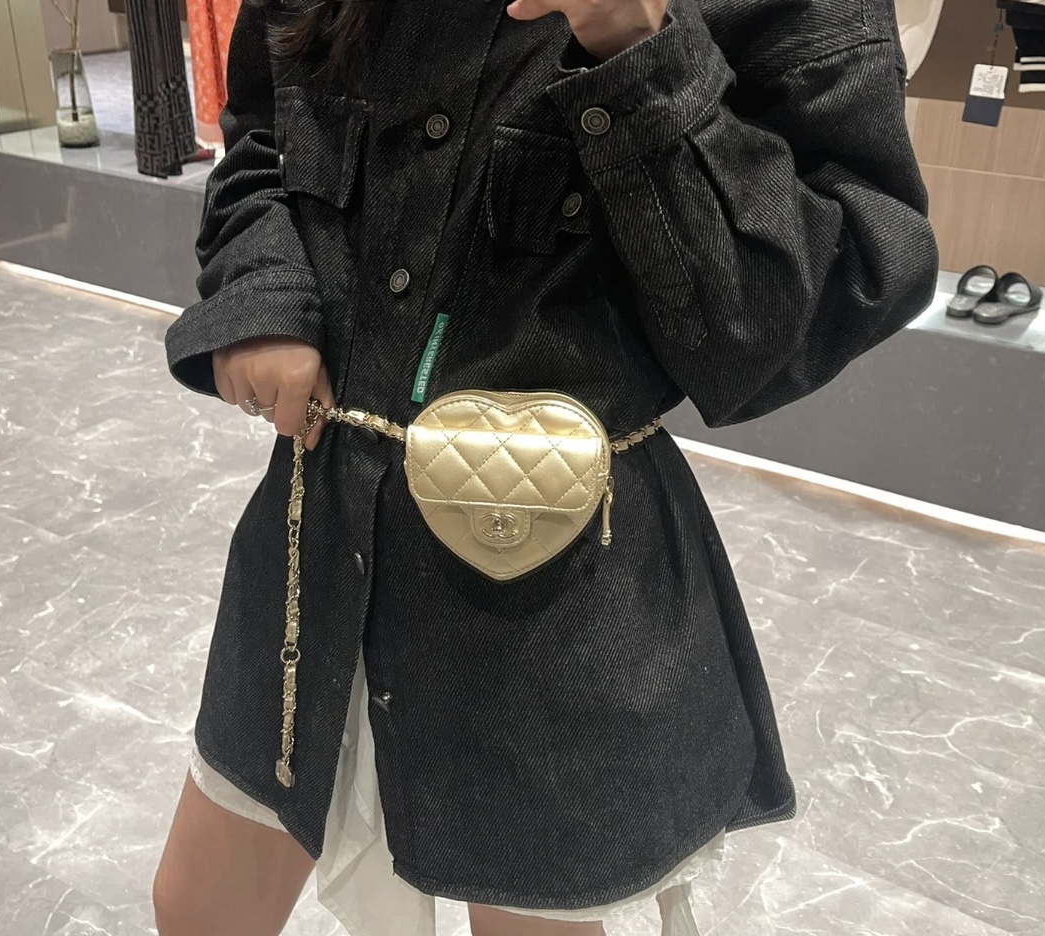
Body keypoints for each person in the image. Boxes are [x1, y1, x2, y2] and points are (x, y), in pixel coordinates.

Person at [156, 0, 939, 934]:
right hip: (318, 530)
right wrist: (264, 291)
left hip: (551, 580)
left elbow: (785, 323)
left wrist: (639, 53)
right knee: (198, 908)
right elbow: (262, 134)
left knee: (531, 917)